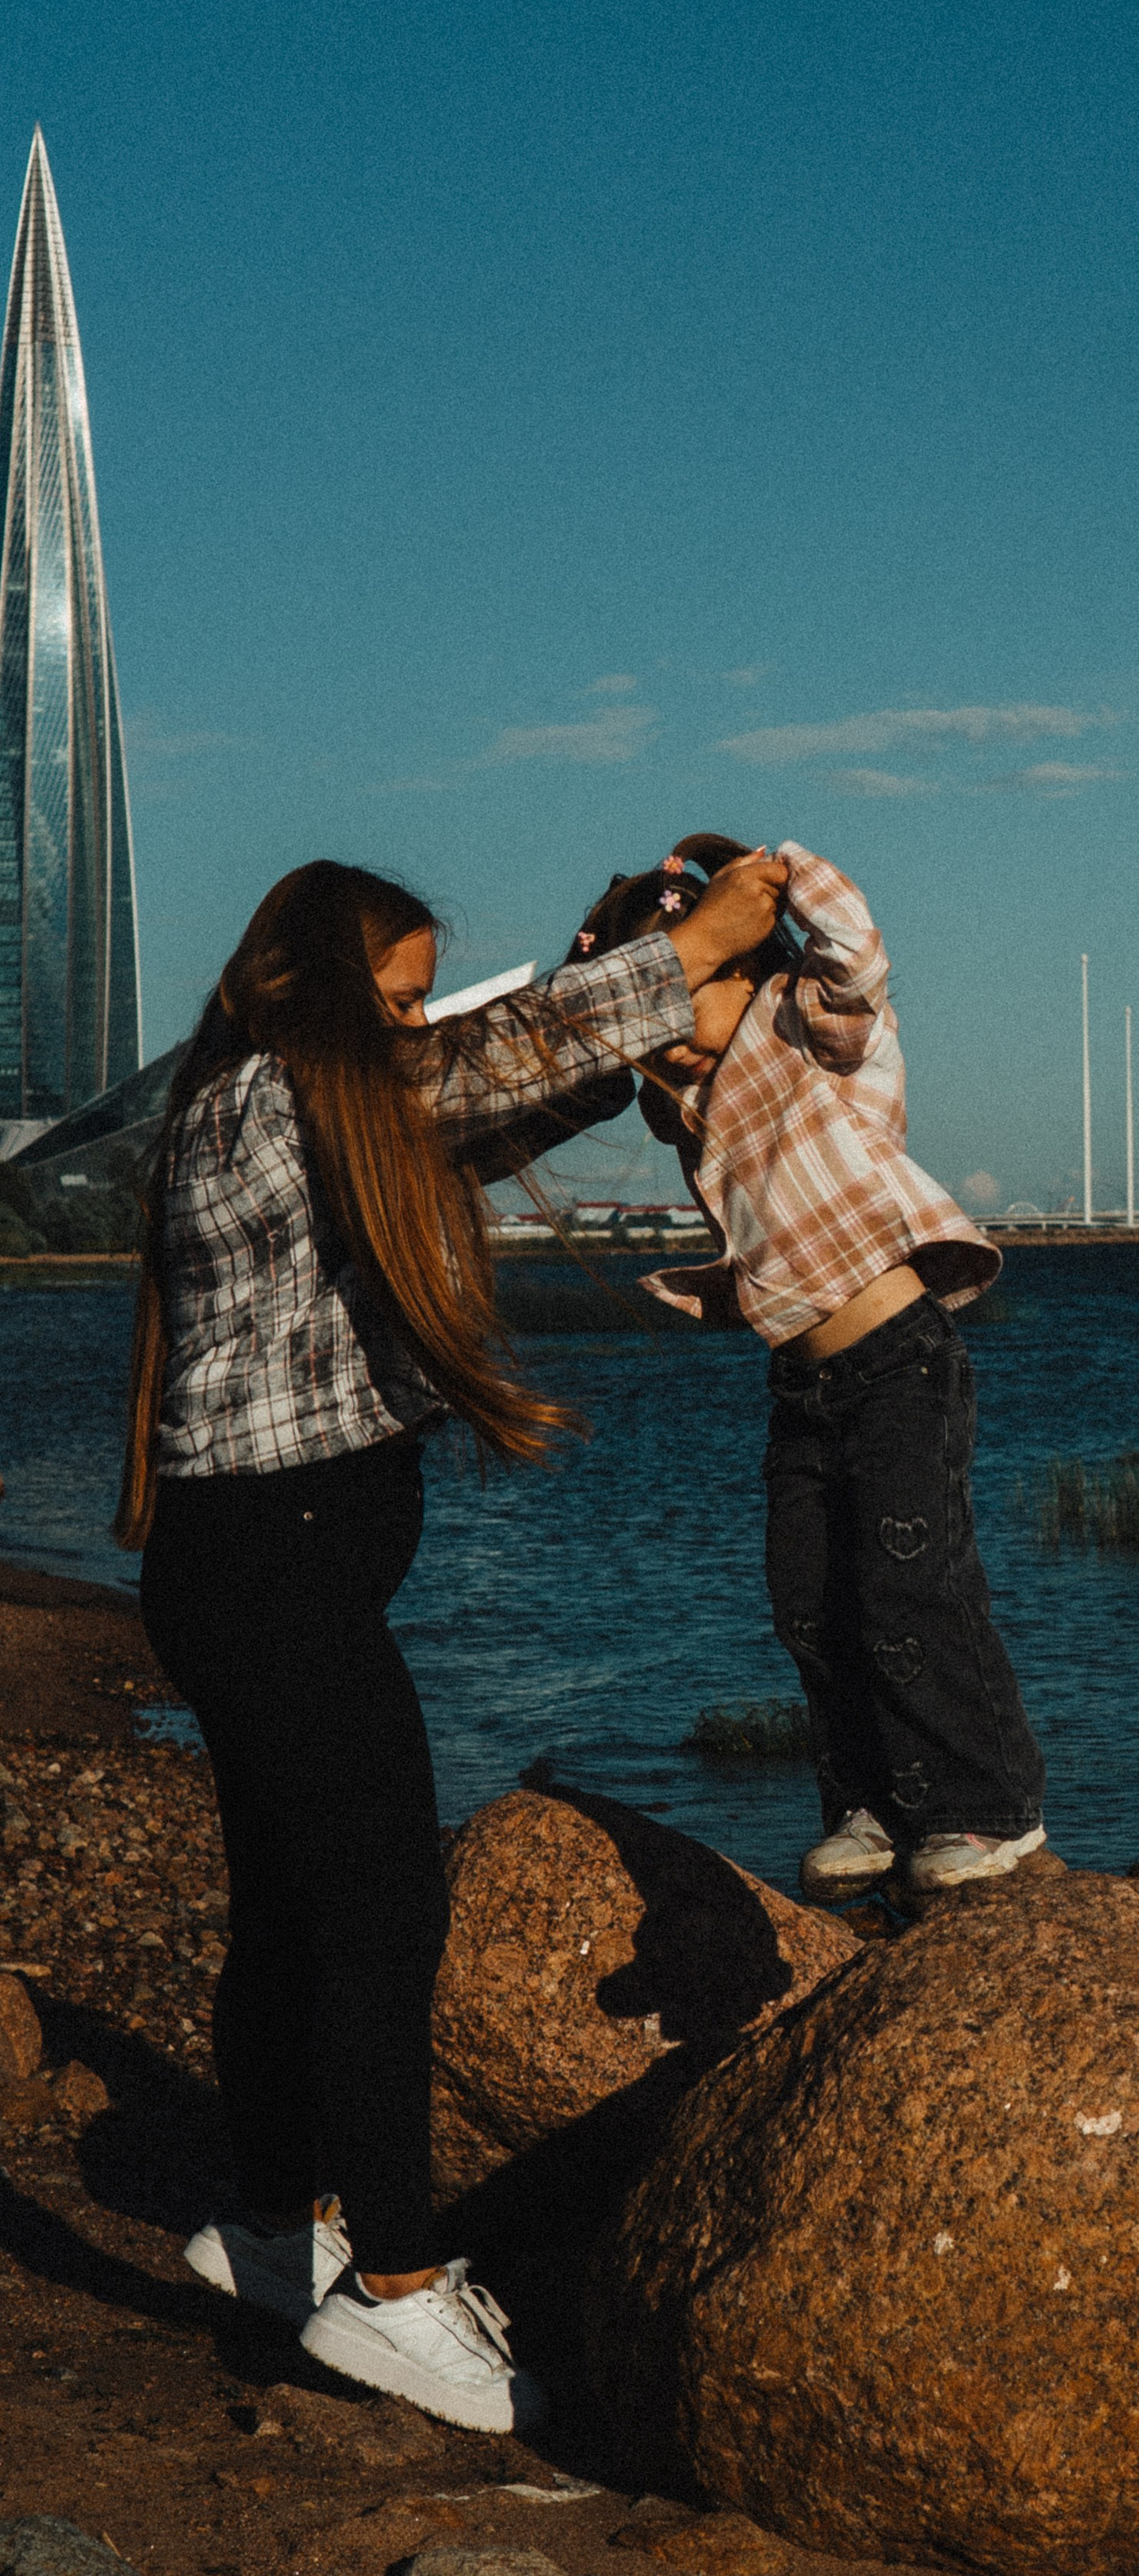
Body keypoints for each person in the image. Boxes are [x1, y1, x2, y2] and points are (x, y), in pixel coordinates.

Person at [117, 848, 786, 2430]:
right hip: (271, 1578)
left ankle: (277, 2232)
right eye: (396, 999)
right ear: (312, 990)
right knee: (380, 1918)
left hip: (262, 1577)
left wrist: (615, 1014)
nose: (414, 1027)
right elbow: (464, 1076)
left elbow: (464, 1111)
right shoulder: (255, 1106)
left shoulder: (294, 1117)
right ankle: (401, 2294)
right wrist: (685, 948)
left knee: (292, 1912)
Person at [569, 835, 1046, 1904]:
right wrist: (624, 959)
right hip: (805, 1383)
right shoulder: (683, 1107)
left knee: (910, 1585)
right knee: (810, 1602)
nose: (659, 1040)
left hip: (899, 1364)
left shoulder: (806, 1024)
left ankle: (983, 1809)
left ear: (740, 962)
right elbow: (597, 1030)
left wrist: (749, 868)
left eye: (675, 998)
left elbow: (854, 949)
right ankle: (872, 1804)